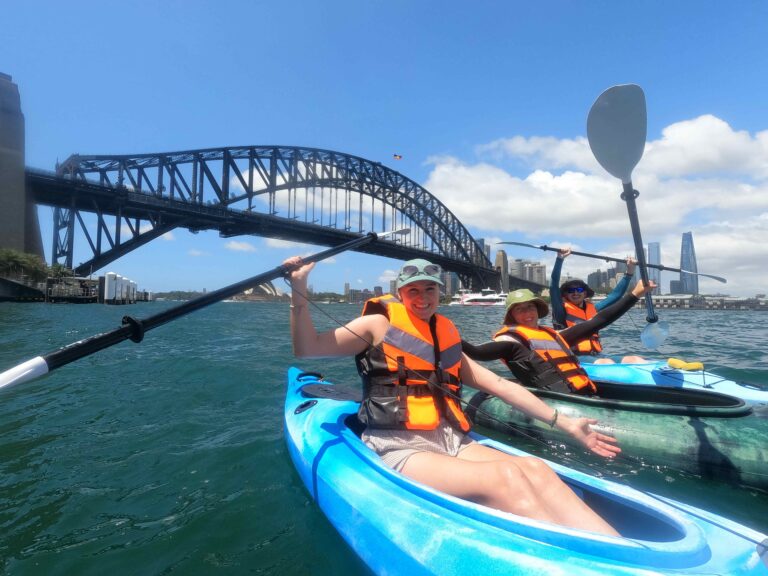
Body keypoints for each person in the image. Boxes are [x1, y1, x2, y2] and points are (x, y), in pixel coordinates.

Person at [285, 256, 621, 536]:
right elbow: (307, 347)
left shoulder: (444, 335)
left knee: (537, 470)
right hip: (398, 445)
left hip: (452, 439)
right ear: (401, 293)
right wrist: (299, 288)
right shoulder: (377, 324)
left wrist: (565, 423)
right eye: (412, 290)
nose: (422, 297)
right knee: (507, 478)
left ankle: (623, 555)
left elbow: (501, 386)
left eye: (429, 288)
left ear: (439, 292)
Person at [461, 281, 656, 396]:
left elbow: (599, 321)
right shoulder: (510, 342)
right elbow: (476, 353)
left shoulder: (555, 335)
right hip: (557, 401)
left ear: (538, 309)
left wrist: (635, 294)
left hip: (584, 393)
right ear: (511, 315)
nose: (527, 313)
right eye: (519, 309)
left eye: (530, 307)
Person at [550, 248, 643, 363]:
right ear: (565, 294)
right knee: (606, 363)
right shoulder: (560, 310)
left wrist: (629, 272)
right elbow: (554, 285)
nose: (575, 293)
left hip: (596, 355)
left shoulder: (593, 308)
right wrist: (560, 259)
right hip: (572, 357)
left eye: (579, 289)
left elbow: (615, 296)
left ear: (584, 293)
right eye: (570, 290)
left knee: (635, 359)